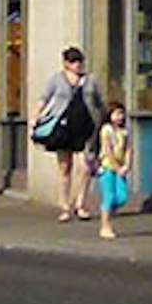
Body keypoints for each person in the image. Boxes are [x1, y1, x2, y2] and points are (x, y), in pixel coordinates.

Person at [31, 46, 99, 222]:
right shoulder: (57, 79)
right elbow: (44, 98)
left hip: (86, 126)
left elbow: (99, 102)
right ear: (66, 63)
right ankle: (65, 206)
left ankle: (81, 203)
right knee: (64, 167)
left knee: (85, 166)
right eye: (73, 61)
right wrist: (35, 118)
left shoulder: (91, 81)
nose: (77, 65)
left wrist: (104, 119)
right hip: (63, 126)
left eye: (79, 61)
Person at [92, 99, 137, 240]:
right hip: (107, 168)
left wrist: (127, 165)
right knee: (109, 196)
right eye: (117, 114)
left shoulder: (124, 132)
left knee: (122, 197)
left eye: (121, 114)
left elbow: (129, 149)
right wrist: (117, 168)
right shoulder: (106, 130)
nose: (120, 117)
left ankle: (110, 210)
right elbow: (108, 151)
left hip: (120, 168)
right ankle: (105, 226)